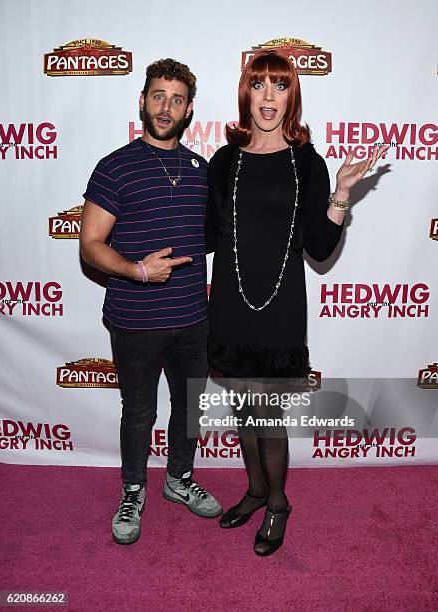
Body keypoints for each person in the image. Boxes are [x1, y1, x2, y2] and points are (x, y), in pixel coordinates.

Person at [206, 50, 388, 556]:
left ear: (293, 95)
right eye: (259, 85)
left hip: (281, 308)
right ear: (247, 93)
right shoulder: (225, 160)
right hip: (230, 304)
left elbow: (320, 247)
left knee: (269, 415)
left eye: (279, 86)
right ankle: (256, 491)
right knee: (245, 410)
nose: (269, 97)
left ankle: (279, 503)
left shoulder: (308, 162)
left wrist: (342, 194)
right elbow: (204, 234)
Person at [80, 58, 222, 545]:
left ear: (188, 111)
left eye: (177, 99)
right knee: (138, 412)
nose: (166, 107)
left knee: (188, 408)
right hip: (135, 319)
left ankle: (179, 481)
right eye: (158, 96)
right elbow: (91, 245)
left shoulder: (202, 170)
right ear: (142, 101)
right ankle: (133, 490)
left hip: (193, 320)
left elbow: (216, 234)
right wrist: (137, 270)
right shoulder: (115, 166)